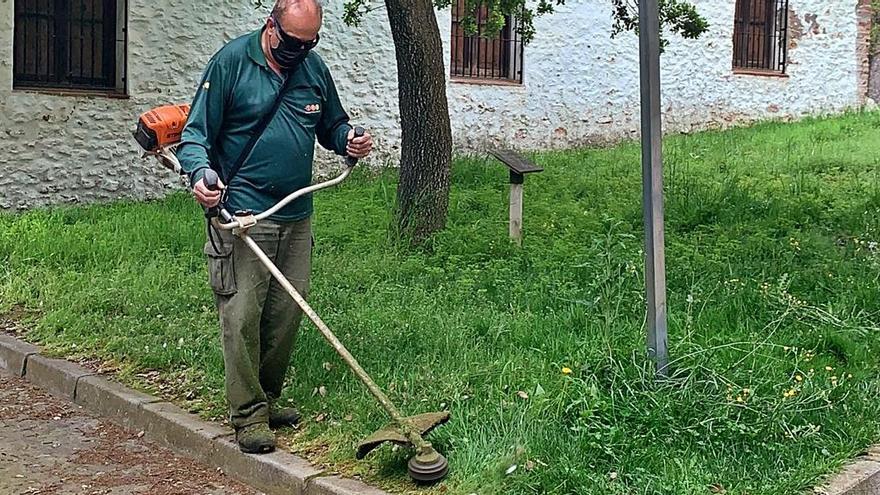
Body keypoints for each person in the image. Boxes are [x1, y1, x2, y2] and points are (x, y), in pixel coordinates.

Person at [176, 0, 373, 453]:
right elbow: (195, 135)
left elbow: (332, 124)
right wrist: (201, 176)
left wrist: (350, 140)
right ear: (270, 26)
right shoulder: (231, 63)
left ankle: (266, 398)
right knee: (242, 314)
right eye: (291, 43)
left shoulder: (313, 68)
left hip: (295, 213)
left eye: (309, 44)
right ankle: (247, 416)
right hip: (243, 216)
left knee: (285, 314)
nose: (298, 52)